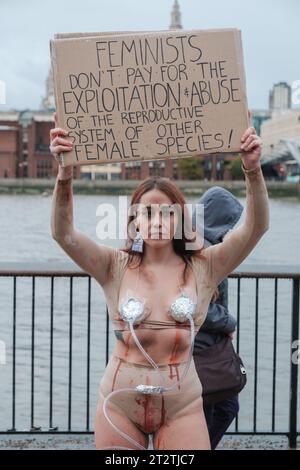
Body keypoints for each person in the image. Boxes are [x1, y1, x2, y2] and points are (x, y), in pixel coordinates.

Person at [49, 112, 269, 450]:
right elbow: (63, 233)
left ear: (181, 218)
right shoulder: (113, 266)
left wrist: (252, 170)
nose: (155, 221)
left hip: (182, 406)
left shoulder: (204, 267)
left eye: (166, 212)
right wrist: (65, 175)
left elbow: (255, 228)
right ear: (134, 221)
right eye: (146, 213)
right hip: (119, 406)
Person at [192, 186, 244, 449]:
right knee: (215, 410)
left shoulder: (198, 243)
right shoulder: (202, 250)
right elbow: (198, 305)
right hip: (202, 349)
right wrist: (229, 323)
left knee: (221, 407)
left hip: (205, 347)